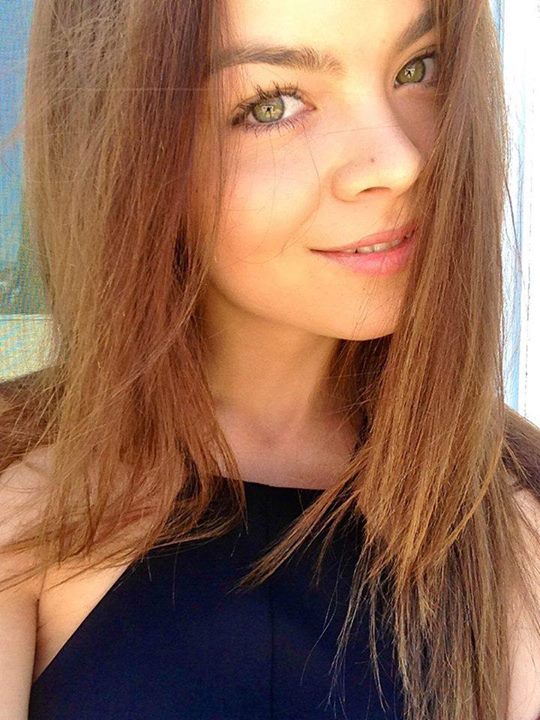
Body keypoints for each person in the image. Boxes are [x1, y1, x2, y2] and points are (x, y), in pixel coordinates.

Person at [1, 0, 540, 717]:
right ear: (122, 150)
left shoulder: (513, 516)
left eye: (420, 68)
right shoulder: (25, 501)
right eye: (272, 105)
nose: (400, 162)